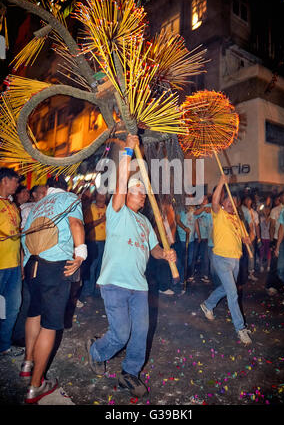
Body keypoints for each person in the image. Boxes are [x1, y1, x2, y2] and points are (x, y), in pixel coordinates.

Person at [86, 134, 176, 398]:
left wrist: (165, 254)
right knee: (121, 333)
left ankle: (130, 373)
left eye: (143, 195)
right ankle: (96, 350)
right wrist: (127, 150)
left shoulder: (146, 223)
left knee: (141, 332)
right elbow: (121, 183)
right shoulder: (117, 212)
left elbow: (154, 249)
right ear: (128, 194)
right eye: (139, 193)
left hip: (139, 286)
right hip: (114, 283)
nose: (143, 198)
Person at [21, 175, 86, 404]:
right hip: (54, 267)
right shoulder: (69, 198)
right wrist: (80, 255)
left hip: (32, 266)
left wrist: (26, 265)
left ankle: (27, 363)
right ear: (65, 187)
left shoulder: (38, 205)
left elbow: (24, 236)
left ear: (48, 187)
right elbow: (76, 224)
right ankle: (35, 386)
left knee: (34, 312)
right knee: (50, 324)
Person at [199, 175, 252, 345]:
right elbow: (214, 202)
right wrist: (221, 182)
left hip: (235, 258)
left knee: (228, 288)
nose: (230, 203)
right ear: (224, 201)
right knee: (233, 293)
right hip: (221, 257)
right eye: (228, 200)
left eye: (233, 201)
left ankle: (208, 304)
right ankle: (240, 328)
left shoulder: (238, 218)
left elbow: (246, 237)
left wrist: (248, 239)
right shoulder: (219, 213)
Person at [12, 184, 47, 347]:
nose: (46, 195)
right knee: (24, 299)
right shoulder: (27, 209)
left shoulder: (42, 207)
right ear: (34, 195)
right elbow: (22, 235)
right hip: (28, 259)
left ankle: (28, 332)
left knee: (33, 298)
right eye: (42, 193)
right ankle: (18, 334)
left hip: (37, 259)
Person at [0, 167, 24, 357]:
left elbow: (18, 236)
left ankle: (4, 345)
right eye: (15, 181)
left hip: (14, 266)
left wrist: (21, 263)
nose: (18, 184)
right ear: (5, 181)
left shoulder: (12, 205)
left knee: (12, 307)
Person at [80, 192, 107, 303]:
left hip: (105, 242)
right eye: (99, 194)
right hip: (93, 242)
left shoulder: (109, 208)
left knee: (102, 267)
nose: (102, 196)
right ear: (95, 196)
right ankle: (88, 292)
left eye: (104, 194)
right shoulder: (89, 208)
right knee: (91, 268)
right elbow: (86, 225)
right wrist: (101, 220)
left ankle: (97, 291)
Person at [265, 192, 284, 296]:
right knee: (275, 264)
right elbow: (272, 227)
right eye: (282, 196)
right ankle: (271, 286)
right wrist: (272, 241)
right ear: (279, 198)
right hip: (277, 239)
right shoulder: (275, 210)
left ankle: (282, 285)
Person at [174, 203, 197, 291]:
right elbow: (178, 220)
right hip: (183, 237)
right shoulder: (180, 207)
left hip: (191, 238)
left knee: (190, 260)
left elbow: (196, 221)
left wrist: (197, 234)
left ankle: (185, 277)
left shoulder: (193, 208)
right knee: (184, 260)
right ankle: (182, 280)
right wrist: (184, 228)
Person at [194, 195, 212, 283]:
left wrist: (204, 208)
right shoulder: (198, 209)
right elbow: (195, 214)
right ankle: (193, 273)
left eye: (205, 199)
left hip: (207, 237)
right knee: (195, 256)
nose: (203, 200)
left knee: (205, 257)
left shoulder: (210, 207)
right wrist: (203, 208)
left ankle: (205, 274)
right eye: (202, 199)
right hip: (197, 237)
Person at [259, 206, 271, 272]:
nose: (266, 211)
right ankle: (261, 266)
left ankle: (268, 266)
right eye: (265, 210)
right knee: (261, 253)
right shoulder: (261, 218)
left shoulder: (271, 218)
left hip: (269, 238)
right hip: (262, 237)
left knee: (269, 253)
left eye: (268, 210)